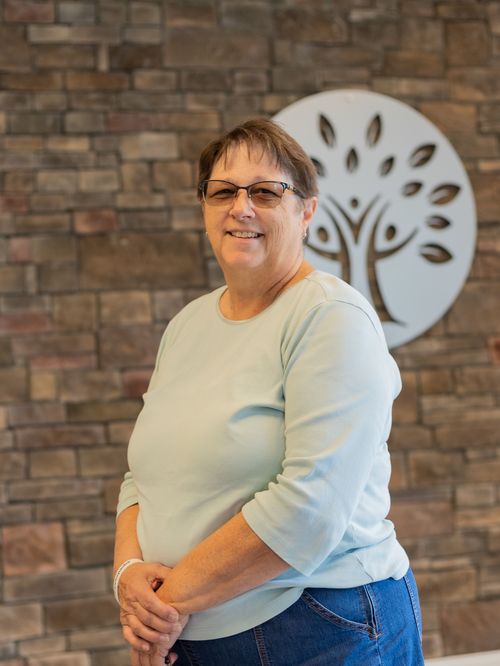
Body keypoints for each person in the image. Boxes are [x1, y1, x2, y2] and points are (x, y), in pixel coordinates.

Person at [113, 118, 425, 666]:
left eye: (265, 192)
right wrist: (128, 575)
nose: (241, 208)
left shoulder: (331, 317)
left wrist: (161, 609)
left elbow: (308, 509)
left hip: (318, 627)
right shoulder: (187, 325)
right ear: (204, 208)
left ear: (306, 211)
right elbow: (143, 476)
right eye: (223, 192)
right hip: (193, 631)